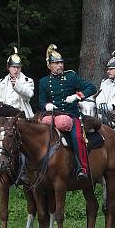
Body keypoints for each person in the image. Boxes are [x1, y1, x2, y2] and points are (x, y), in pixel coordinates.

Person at [38, 44, 97, 180]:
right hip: (53, 115)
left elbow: (92, 88)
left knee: (77, 138)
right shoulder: (44, 82)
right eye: (56, 63)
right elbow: (41, 102)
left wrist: (78, 96)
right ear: (49, 65)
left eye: (61, 63)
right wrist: (47, 106)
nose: (60, 66)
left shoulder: (71, 77)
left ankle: (82, 167)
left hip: (72, 115)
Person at [0, 47, 34, 118]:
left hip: (21, 116)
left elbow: (28, 95)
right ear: (8, 67)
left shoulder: (28, 81)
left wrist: (16, 85)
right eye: (13, 67)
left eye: (18, 67)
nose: (16, 70)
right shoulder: (1, 82)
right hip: (5, 116)